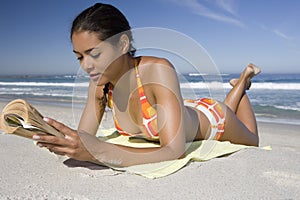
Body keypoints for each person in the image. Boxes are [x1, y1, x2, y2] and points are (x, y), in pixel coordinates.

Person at [33, 3, 260, 167]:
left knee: (252, 140)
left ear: (122, 44)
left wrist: (98, 153)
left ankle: (243, 83)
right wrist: (61, 139)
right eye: (79, 57)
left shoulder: (157, 70)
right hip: (184, 109)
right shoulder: (100, 84)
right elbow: (85, 138)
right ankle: (240, 83)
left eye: (94, 54)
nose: (86, 66)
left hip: (214, 120)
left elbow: (174, 150)